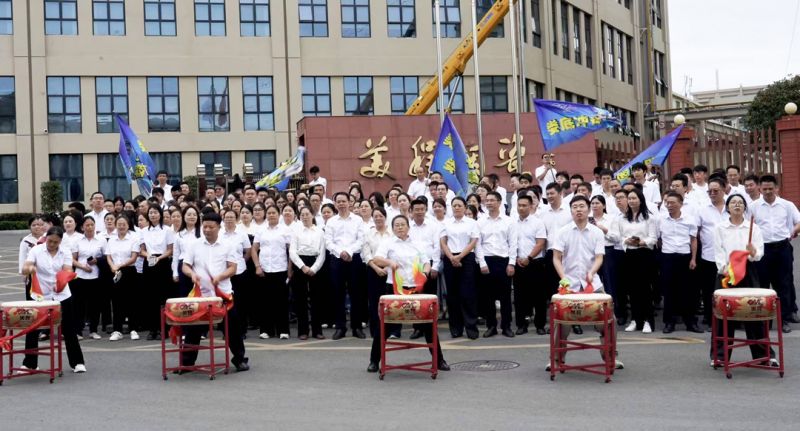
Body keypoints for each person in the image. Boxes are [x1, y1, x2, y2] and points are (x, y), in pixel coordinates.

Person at [368, 215, 449, 373]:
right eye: (396, 225)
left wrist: (425, 273)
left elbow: (426, 262)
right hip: (395, 289)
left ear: (408, 227)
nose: (400, 227)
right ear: (393, 228)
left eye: (402, 225)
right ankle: (373, 361)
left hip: (416, 288)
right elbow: (377, 259)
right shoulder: (388, 242)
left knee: (428, 325)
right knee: (384, 325)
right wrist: (389, 262)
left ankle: (439, 360)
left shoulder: (417, 243)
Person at [549, 195, 622, 370]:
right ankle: (557, 359)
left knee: (609, 320)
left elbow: (599, 258)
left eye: (582, 206)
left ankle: (610, 357)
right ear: (571, 211)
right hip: (569, 284)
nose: (578, 210)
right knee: (560, 322)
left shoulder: (596, 232)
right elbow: (556, 258)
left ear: (588, 209)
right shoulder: (563, 232)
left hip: (592, 283)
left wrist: (592, 272)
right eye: (575, 207)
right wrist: (563, 277)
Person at [711, 194, 777, 366]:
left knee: (754, 314)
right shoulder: (720, 227)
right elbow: (718, 252)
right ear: (727, 207)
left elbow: (759, 254)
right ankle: (719, 356)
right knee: (723, 317)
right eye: (733, 202)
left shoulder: (753, 227)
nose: (737, 205)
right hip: (727, 273)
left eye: (740, 203)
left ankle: (764, 355)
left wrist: (753, 251)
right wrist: (724, 269)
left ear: (745, 208)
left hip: (748, 271)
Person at [181, 212, 249, 372]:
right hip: (200, 295)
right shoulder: (194, 245)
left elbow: (233, 268)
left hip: (222, 294)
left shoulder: (228, 245)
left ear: (219, 227)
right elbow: (185, 266)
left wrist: (220, 277)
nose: (207, 230)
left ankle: (239, 359)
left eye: (211, 227)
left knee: (232, 328)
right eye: (204, 226)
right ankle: (187, 362)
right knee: (193, 329)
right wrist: (192, 274)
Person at [21, 226, 87, 373]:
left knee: (69, 328)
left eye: (55, 242)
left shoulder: (65, 252)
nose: (52, 244)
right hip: (40, 295)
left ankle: (77, 362)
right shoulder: (36, 250)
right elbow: (25, 267)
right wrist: (30, 269)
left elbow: (68, 269)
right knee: (32, 329)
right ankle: (30, 363)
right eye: (50, 241)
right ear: (46, 238)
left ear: (60, 241)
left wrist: (63, 278)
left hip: (61, 293)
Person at [751, 174, 800, 333]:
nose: (767, 191)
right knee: (763, 286)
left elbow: (798, 221)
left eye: (770, 188)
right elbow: (746, 225)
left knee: (784, 284)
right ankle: (765, 321)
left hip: (782, 248)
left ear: (777, 188)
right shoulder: (753, 206)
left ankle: (784, 319)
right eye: (764, 189)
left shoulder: (787, 205)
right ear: (760, 189)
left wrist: (793, 231)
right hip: (763, 250)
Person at [613, 188, 657, 333]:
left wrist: (640, 242)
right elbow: (619, 236)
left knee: (645, 289)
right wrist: (627, 240)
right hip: (629, 255)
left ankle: (648, 321)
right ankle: (635, 320)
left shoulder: (649, 218)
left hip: (644, 254)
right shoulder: (622, 218)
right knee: (631, 289)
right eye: (629, 198)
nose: (631, 201)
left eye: (634, 198)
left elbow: (653, 238)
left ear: (641, 200)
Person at [324, 192, 367, 340]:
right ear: (335, 204)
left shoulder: (358, 220)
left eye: (344, 201)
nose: (341, 204)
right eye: (339, 201)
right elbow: (328, 241)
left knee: (356, 294)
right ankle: (340, 327)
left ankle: (356, 327)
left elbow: (361, 240)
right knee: (338, 294)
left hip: (354, 259)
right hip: (337, 259)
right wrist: (340, 252)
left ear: (349, 203)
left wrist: (348, 252)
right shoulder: (331, 221)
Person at [476, 191, 517, 338]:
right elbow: (477, 244)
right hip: (487, 260)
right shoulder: (480, 221)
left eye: (492, 200)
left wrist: (511, 263)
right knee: (488, 297)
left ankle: (506, 326)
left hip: (503, 261)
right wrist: (482, 263)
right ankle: (491, 326)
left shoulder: (509, 221)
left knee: (505, 296)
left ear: (499, 202)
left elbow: (513, 243)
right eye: (487, 200)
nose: (489, 203)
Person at [659, 192, 701, 334]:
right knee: (669, 291)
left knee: (687, 291)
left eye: (673, 203)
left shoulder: (689, 219)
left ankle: (691, 322)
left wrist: (693, 259)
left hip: (685, 257)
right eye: (667, 203)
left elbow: (693, 240)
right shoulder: (661, 219)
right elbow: (659, 239)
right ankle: (669, 322)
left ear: (681, 204)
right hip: (668, 257)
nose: (669, 205)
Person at [440, 197, 480, 339]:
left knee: (467, 293)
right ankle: (456, 329)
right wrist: (452, 257)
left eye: (459, 205)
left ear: (464, 207)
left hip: (467, 258)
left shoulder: (472, 223)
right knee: (453, 295)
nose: (456, 208)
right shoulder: (446, 223)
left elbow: (473, 241)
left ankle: (471, 328)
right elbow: (443, 242)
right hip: (450, 258)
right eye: (454, 205)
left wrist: (460, 256)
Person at [251, 205, 293, 339]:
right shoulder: (261, 230)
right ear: (266, 214)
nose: (271, 215)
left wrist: (290, 269)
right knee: (265, 301)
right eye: (269, 213)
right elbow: (254, 249)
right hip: (264, 269)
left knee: (281, 301)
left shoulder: (285, 230)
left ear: (278, 214)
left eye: (273, 213)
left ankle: (283, 330)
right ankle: (266, 330)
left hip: (280, 268)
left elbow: (291, 250)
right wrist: (257, 266)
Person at [695, 177, 728, 329]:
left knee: (728, 290)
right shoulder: (702, 209)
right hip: (709, 256)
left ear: (724, 189)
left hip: (729, 257)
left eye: (716, 191)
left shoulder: (732, 205)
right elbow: (696, 232)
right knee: (709, 290)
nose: (712, 194)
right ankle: (710, 319)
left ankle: (730, 319)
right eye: (710, 191)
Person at [289, 206, 326, 340]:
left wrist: (314, 268)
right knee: (301, 299)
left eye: (307, 214)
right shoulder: (296, 232)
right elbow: (292, 251)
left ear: (312, 215)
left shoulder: (319, 231)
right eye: (302, 214)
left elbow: (322, 252)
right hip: (300, 263)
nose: (305, 217)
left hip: (316, 263)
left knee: (317, 299)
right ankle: (303, 331)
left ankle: (317, 330)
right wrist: (302, 266)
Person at [407, 199, 442, 340]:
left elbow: (437, 247)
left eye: (422, 209)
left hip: (430, 264)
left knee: (429, 297)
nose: (420, 212)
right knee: (415, 297)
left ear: (426, 210)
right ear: (411, 211)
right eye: (417, 209)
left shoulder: (433, 226)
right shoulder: (408, 226)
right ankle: (417, 328)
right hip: (413, 265)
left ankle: (430, 326)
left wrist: (435, 266)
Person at [513, 194, 547, 335]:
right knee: (520, 297)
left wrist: (529, 258)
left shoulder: (537, 223)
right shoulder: (512, 223)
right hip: (518, 263)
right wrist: (515, 258)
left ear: (531, 206)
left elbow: (540, 243)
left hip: (535, 263)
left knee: (539, 296)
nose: (521, 208)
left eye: (524, 205)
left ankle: (540, 325)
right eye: (519, 205)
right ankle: (521, 325)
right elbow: (510, 243)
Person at [140, 204, 175, 340]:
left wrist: (159, 258)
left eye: (155, 212)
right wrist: (148, 256)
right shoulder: (144, 231)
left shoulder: (167, 230)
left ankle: (163, 329)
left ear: (160, 214)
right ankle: (152, 329)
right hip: (149, 262)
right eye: (150, 213)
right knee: (150, 297)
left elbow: (170, 250)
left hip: (163, 262)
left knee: (163, 296)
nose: (153, 215)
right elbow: (142, 250)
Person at [105, 214, 141, 341]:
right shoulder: (111, 240)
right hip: (115, 272)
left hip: (129, 271)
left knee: (132, 301)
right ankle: (117, 330)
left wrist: (119, 265)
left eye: (123, 224)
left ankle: (133, 329)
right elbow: (108, 256)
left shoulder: (133, 238)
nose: (121, 226)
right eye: (119, 224)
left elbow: (134, 257)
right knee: (116, 302)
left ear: (128, 225)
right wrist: (112, 266)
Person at [71, 217, 104, 340]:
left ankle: (93, 330)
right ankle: (78, 331)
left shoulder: (101, 240)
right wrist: (82, 267)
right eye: (87, 225)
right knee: (79, 305)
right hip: (80, 276)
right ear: (82, 227)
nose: (90, 227)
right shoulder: (78, 241)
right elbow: (72, 259)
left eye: (92, 225)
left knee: (95, 304)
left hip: (96, 276)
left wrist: (97, 261)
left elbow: (107, 257)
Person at [220, 208, 252, 337]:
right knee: (225, 303)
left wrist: (240, 262)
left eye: (231, 217)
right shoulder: (219, 234)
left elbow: (248, 251)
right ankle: (226, 331)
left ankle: (241, 331)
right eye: (226, 217)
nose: (229, 219)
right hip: (224, 273)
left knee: (240, 303)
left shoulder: (242, 234)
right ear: (223, 219)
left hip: (240, 272)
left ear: (236, 219)